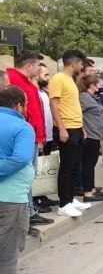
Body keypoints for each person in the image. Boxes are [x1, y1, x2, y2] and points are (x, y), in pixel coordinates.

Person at [5, 51, 53, 232]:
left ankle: (29, 212)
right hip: (24, 135)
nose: (39, 70)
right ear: (29, 66)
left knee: (28, 176)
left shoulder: (25, 81)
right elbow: (24, 111)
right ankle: (25, 216)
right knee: (24, 176)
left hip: (31, 135)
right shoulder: (13, 80)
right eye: (37, 66)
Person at [0, 86, 35, 274]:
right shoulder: (22, 126)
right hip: (10, 197)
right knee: (8, 251)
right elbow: (21, 158)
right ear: (19, 105)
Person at [49, 50, 92, 217]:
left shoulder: (70, 80)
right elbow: (54, 105)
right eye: (81, 63)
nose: (81, 67)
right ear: (74, 63)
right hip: (66, 127)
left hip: (76, 127)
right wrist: (61, 127)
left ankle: (71, 198)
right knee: (66, 166)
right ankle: (63, 203)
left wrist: (81, 127)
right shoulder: (58, 79)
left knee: (75, 165)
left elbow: (72, 105)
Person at [78, 74, 103, 203]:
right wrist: (81, 128)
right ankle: (88, 193)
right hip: (89, 134)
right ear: (92, 85)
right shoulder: (84, 97)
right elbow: (78, 112)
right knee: (88, 165)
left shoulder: (92, 98)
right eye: (99, 83)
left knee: (91, 164)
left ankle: (91, 188)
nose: (101, 86)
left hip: (95, 134)